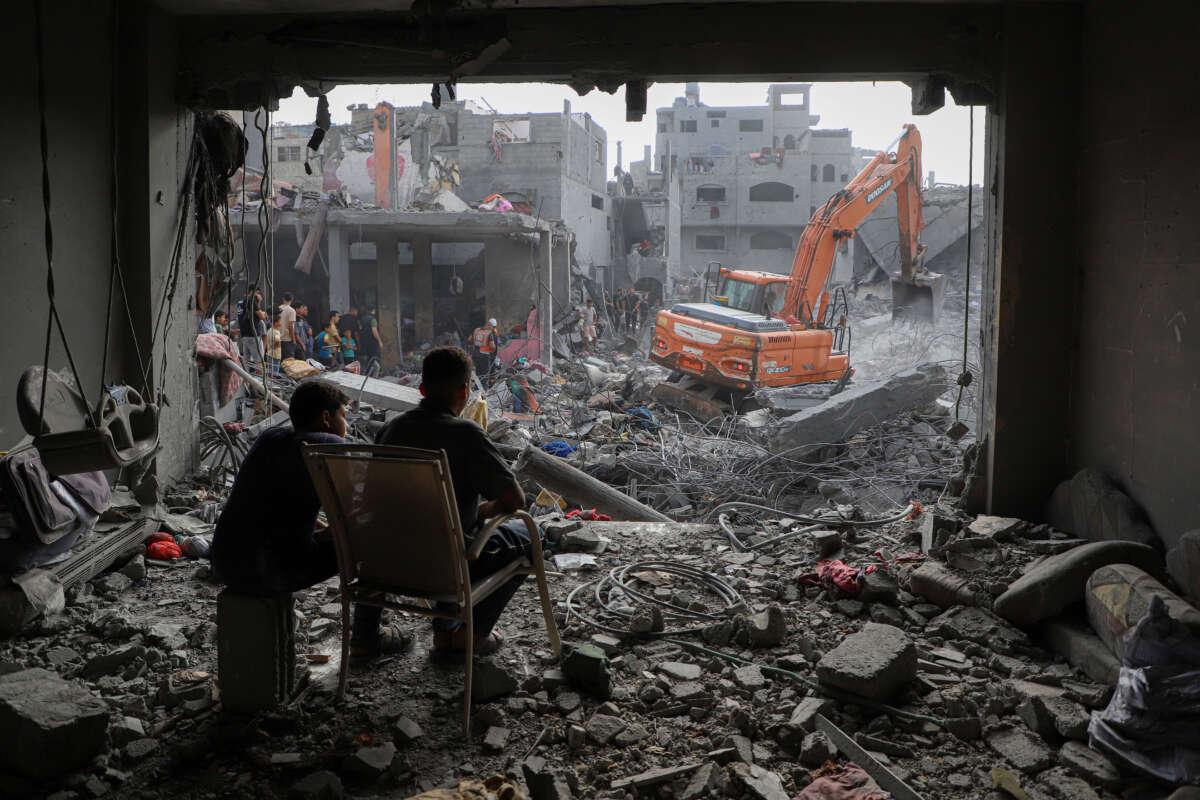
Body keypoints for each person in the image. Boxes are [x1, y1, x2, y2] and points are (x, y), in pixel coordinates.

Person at [211, 381, 412, 660]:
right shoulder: (330, 446)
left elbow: (276, 507)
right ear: (326, 418)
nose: (347, 423)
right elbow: (357, 517)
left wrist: (328, 531)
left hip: (225, 561)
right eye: (344, 415)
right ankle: (367, 638)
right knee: (374, 545)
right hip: (269, 570)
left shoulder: (270, 438)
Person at [374, 346, 545, 656]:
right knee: (533, 539)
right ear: (465, 389)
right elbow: (514, 500)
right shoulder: (466, 433)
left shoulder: (389, 430)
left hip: (389, 561)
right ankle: (469, 636)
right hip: (448, 566)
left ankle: (440, 630)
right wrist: (485, 510)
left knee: (445, 530)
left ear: (422, 388)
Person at [237, 284, 266, 364]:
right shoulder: (251, 300)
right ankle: (261, 376)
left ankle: (245, 376)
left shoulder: (240, 302)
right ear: (252, 291)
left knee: (246, 361)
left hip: (244, 335)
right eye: (257, 293)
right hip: (254, 335)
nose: (258, 295)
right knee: (259, 361)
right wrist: (259, 302)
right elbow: (261, 316)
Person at [279, 292, 298, 361]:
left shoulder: (278, 309)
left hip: (277, 338)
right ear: (292, 299)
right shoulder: (292, 311)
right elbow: (290, 326)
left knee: (279, 360)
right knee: (289, 361)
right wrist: (293, 339)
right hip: (287, 339)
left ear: (283, 299)